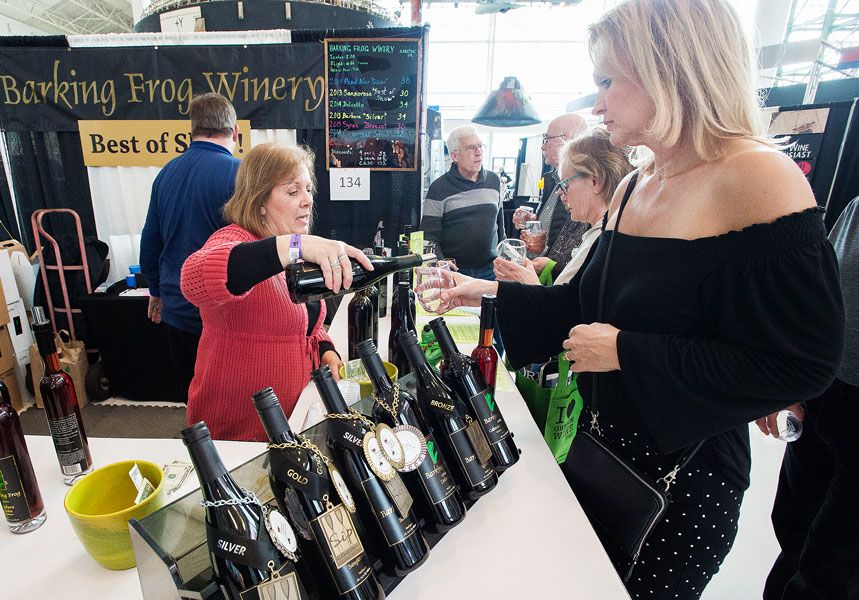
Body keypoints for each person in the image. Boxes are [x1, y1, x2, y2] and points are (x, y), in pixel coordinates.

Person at [431, 1, 845, 598]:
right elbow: (579, 305)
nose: (596, 104)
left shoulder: (757, 178)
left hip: (684, 482)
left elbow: (804, 363)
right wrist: (479, 295)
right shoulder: (633, 185)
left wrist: (630, 352)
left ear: (671, 70)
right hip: (605, 454)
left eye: (607, 82)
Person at [180, 143, 372, 441]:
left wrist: (325, 349)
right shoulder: (236, 238)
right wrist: (293, 245)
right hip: (240, 429)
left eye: (308, 189)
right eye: (293, 192)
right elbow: (193, 279)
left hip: (290, 418)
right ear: (260, 202)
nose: (307, 201)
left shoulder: (293, 248)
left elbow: (306, 322)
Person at [758, 196, 859, 600]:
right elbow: (820, 297)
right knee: (793, 529)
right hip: (823, 393)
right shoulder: (855, 208)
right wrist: (789, 380)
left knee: (833, 565)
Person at [139, 92, 241, 399]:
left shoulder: (165, 174)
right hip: (222, 319)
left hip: (177, 312)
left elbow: (151, 240)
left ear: (190, 132)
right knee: (232, 403)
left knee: (194, 396)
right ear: (235, 133)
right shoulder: (239, 174)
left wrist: (155, 291)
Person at [495, 127, 632, 286]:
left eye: (565, 183)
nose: (559, 192)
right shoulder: (599, 232)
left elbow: (569, 306)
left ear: (595, 181)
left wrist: (526, 281)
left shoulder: (605, 239)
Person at [421, 125, 505, 280]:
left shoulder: (494, 181)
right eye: (471, 148)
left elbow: (500, 228)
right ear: (455, 156)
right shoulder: (439, 188)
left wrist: (504, 259)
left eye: (480, 146)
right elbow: (429, 235)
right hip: (454, 272)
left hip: (491, 271)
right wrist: (439, 261)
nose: (478, 152)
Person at [512, 113, 589, 265]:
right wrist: (535, 221)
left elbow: (574, 246)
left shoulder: (583, 184)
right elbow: (556, 227)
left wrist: (550, 264)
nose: (542, 145)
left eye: (547, 139)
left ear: (566, 138)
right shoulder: (552, 178)